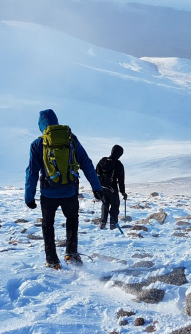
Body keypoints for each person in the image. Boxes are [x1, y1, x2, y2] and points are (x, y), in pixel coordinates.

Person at [25, 109, 103, 269]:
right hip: (70, 191)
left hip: (48, 193)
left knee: (48, 225)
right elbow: (86, 163)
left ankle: (52, 260)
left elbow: (31, 172)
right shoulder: (71, 139)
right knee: (72, 219)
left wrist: (29, 196)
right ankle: (71, 254)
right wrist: (96, 187)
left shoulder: (37, 144)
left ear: (41, 126)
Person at [96, 145, 127, 230]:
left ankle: (103, 223)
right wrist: (123, 192)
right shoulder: (119, 165)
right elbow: (121, 180)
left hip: (102, 187)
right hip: (113, 189)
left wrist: (97, 187)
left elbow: (96, 174)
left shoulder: (102, 161)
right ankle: (113, 224)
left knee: (105, 204)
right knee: (115, 205)